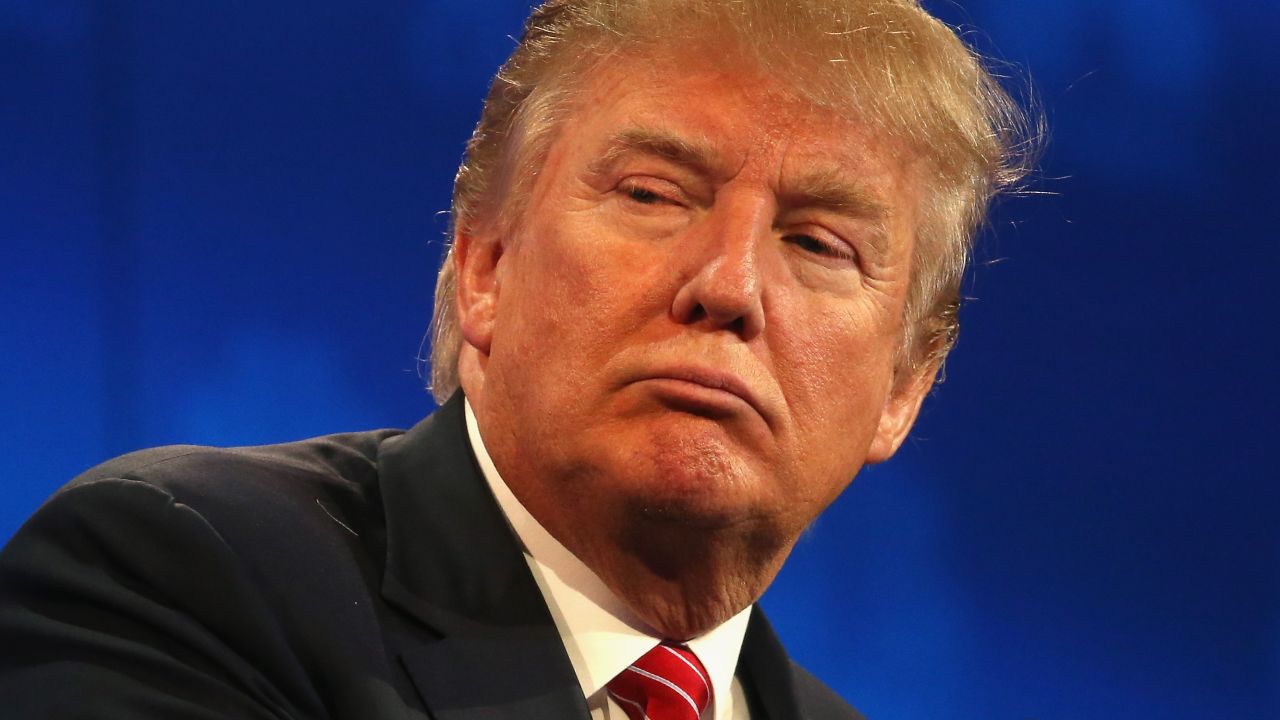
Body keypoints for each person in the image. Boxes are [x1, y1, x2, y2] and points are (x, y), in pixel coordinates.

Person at [0, 1, 1033, 718]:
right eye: (650, 194)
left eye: (816, 243)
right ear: (484, 265)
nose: (727, 284)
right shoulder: (184, 578)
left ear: (903, 388)